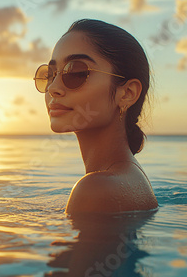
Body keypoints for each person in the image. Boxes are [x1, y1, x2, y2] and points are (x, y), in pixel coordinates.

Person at [33, 19, 158, 214]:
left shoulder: (97, 189)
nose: (53, 88)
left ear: (127, 93)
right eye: (51, 74)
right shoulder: (128, 179)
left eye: (76, 72)